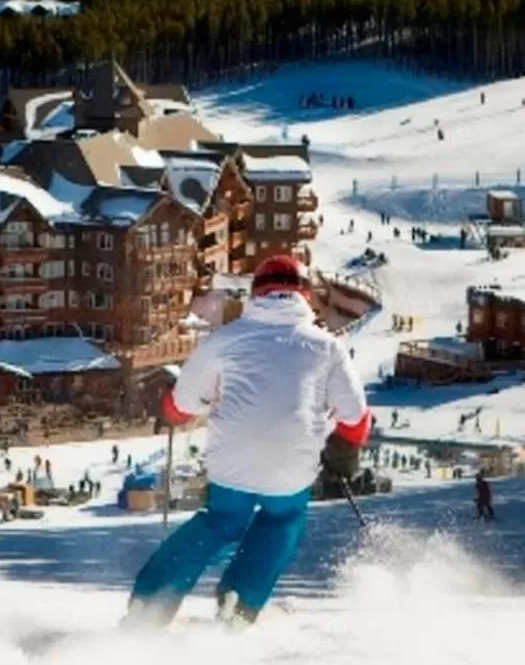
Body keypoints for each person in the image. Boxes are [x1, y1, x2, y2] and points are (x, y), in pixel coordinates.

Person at [127, 254, 371, 630]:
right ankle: (239, 604)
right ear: (305, 295)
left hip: (233, 460)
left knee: (221, 521)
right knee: (281, 521)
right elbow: (355, 416)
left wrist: (168, 410)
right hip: (291, 466)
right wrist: (344, 452)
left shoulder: (226, 339)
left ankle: (152, 601)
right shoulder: (326, 346)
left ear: (256, 293)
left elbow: (183, 404)